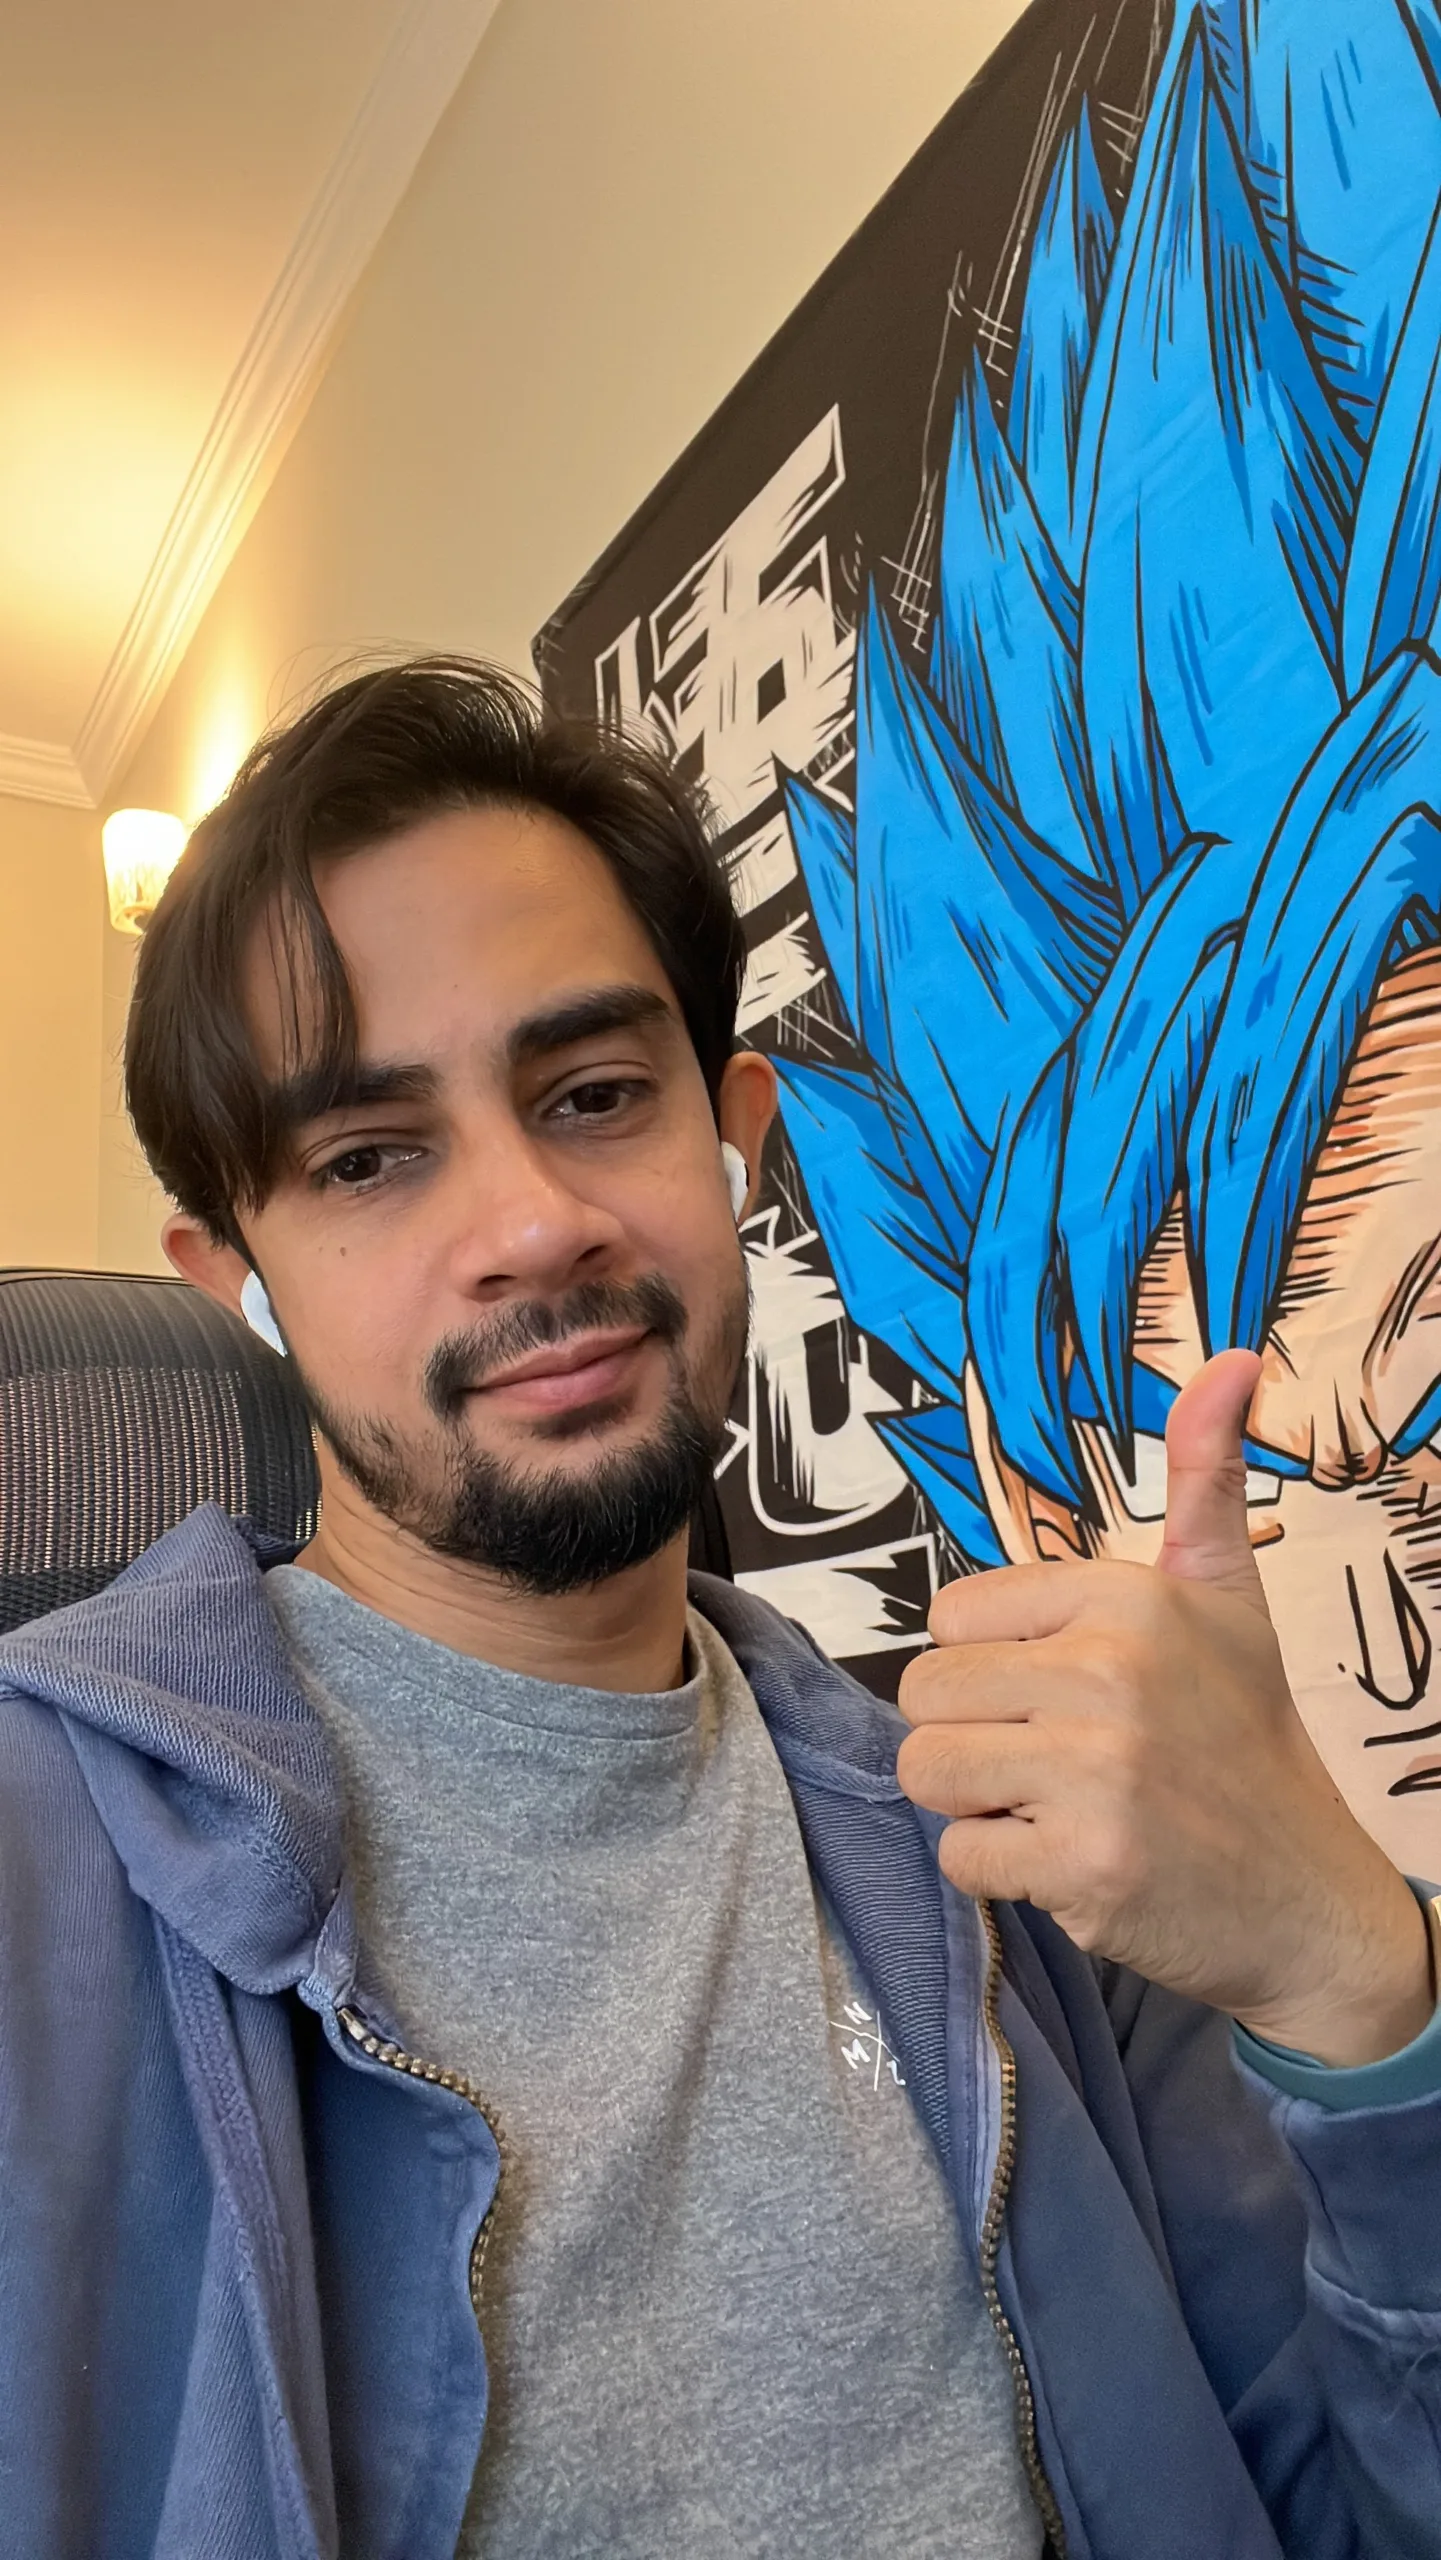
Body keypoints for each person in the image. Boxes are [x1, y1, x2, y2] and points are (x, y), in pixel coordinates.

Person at [1, 659, 1438, 2560]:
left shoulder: (1006, 1847)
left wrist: (1352, 1978)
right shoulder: (41, 1857)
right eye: (369, 1159)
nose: (534, 1221)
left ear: (733, 1136)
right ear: (235, 1279)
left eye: (595, 1095)